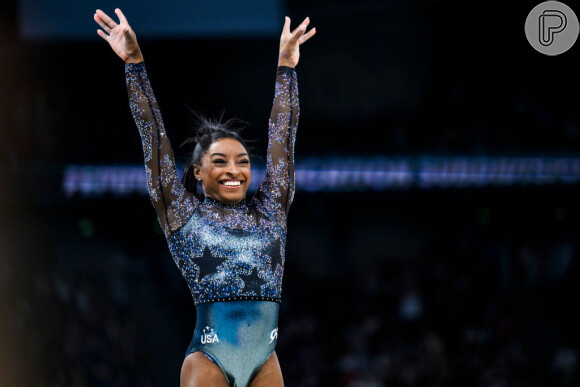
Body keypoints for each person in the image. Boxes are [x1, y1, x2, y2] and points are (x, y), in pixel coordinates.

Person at [93, 8, 315, 387]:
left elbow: (284, 135)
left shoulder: (271, 209)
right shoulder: (182, 213)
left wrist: (286, 68)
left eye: (243, 162)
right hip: (209, 358)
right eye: (220, 162)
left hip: (266, 360)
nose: (234, 170)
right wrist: (134, 64)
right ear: (198, 171)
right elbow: (152, 136)